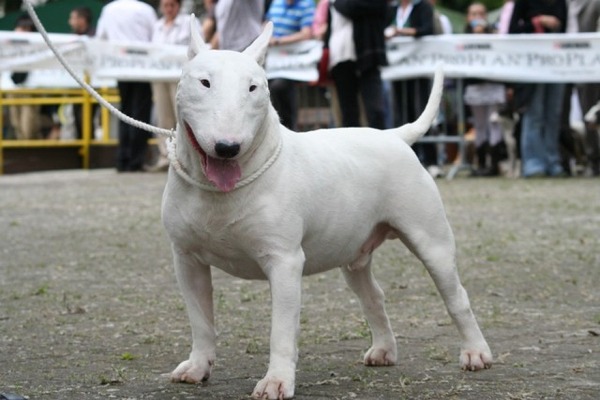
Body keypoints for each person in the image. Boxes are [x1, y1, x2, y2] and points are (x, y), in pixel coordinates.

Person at [95, 0, 157, 172]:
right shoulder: (146, 9)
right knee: (140, 114)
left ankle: (123, 159)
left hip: (120, 66)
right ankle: (136, 160)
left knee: (125, 112)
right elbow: (156, 38)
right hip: (143, 67)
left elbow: (101, 37)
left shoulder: (109, 9)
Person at [509, 0, 568, 178]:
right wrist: (537, 22)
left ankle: (553, 161)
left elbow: (564, 32)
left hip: (557, 64)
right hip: (531, 65)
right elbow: (512, 31)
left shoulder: (561, 2)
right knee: (534, 113)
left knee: (553, 114)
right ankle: (533, 163)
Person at [386, 0, 440, 176]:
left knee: (423, 111)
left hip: (418, 68)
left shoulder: (422, 7)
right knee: (401, 113)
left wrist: (401, 32)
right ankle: (409, 158)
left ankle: (431, 159)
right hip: (398, 69)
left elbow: (427, 30)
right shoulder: (392, 8)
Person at [326, 0, 388, 130]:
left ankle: (380, 148)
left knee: (375, 111)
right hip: (340, 58)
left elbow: (351, 7)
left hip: (368, 55)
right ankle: (352, 149)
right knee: (348, 114)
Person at [149, 0, 195, 172]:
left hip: (180, 76)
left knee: (181, 116)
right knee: (163, 117)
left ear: (178, 6)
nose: (168, 9)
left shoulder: (188, 23)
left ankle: (186, 157)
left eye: (172, 5)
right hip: (159, 75)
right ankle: (165, 156)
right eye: (165, 5)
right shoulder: (157, 25)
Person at [463, 2, 506, 176]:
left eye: (480, 14)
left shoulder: (495, 35)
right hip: (474, 85)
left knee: (494, 123)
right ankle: (481, 163)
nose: (477, 18)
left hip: (493, 83)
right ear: (468, 17)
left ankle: (494, 164)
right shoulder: (463, 37)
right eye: (473, 14)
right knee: (479, 125)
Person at [265, 0, 315, 130]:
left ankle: (289, 127)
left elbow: (306, 33)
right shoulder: (276, 3)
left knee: (280, 87)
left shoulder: (306, 4)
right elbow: (266, 23)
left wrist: (279, 41)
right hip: (272, 62)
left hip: (292, 63)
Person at [566, 0, 600, 176]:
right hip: (565, 65)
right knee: (587, 117)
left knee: (593, 115)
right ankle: (591, 160)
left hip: (592, 66)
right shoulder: (563, 4)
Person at [8, 14, 42, 140]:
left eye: (27, 28)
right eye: (22, 27)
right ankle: (23, 148)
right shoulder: (10, 41)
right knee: (16, 122)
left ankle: (30, 148)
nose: (24, 30)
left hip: (30, 88)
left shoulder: (37, 40)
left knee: (28, 123)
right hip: (12, 87)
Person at [68, 6, 97, 141]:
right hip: (76, 85)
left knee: (87, 118)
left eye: (73, 18)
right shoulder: (72, 38)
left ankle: (90, 151)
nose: (70, 22)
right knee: (77, 117)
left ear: (82, 20)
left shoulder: (94, 36)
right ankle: (82, 148)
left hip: (94, 85)